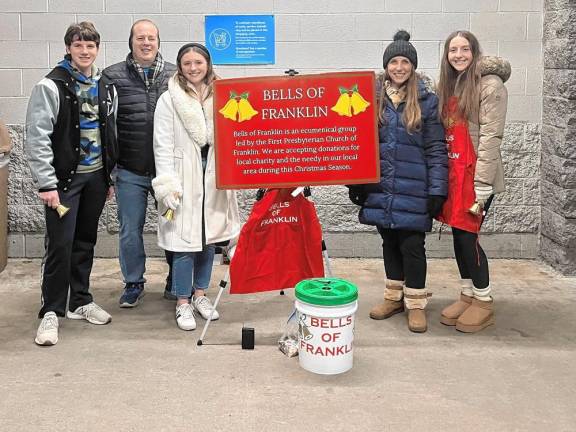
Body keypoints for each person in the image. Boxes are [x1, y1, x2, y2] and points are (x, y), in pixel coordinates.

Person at [25, 22, 118, 346]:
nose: (84, 51)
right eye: (78, 45)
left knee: (85, 242)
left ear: (97, 49)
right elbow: (37, 139)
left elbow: (109, 133)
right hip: (64, 185)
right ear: (68, 48)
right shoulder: (50, 86)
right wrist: (46, 184)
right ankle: (51, 311)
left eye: (90, 46)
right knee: (60, 245)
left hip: (95, 180)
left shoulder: (104, 84)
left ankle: (80, 300)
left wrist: (108, 177)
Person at [349, 30, 448, 333]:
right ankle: (393, 297)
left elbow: (435, 148)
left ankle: (415, 303)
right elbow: (358, 143)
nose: (399, 67)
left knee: (412, 246)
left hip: (414, 188)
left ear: (413, 66)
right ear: (386, 66)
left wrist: (437, 190)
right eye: (394, 61)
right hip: (381, 188)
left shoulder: (427, 102)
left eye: (405, 61)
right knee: (389, 242)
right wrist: (357, 183)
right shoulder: (371, 99)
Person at [152, 43, 240, 330]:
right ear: (180, 66)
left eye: (198, 62)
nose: (193, 68)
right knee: (182, 244)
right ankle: (182, 302)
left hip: (214, 176)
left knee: (208, 239)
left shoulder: (223, 95)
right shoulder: (169, 99)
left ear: (207, 64)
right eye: (187, 63)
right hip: (183, 176)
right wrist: (167, 184)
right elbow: (162, 144)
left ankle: (201, 293)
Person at [436, 30, 509, 333]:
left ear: (475, 51)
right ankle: (467, 294)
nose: (459, 55)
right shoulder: (450, 84)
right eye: (453, 50)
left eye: (465, 49)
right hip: (455, 174)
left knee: (469, 237)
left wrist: (483, 184)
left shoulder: (490, 86)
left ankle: (484, 299)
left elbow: (492, 137)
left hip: (476, 176)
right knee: (457, 236)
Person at [103, 19, 177, 308]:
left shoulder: (175, 74)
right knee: (129, 230)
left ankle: (176, 280)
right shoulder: (112, 76)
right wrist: (109, 171)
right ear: (131, 42)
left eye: (151, 38)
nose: (146, 43)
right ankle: (133, 283)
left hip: (167, 172)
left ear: (159, 42)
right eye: (140, 38)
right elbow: (105, 125)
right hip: (129, 171)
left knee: (173, 227)